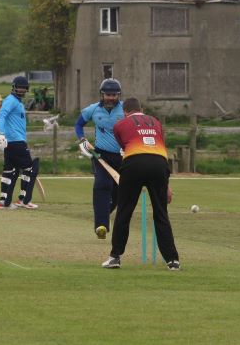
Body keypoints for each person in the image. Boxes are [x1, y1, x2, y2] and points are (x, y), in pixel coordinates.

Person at [102, 97, 180, 270]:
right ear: (142, 110)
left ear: (125, 112)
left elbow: (125, 148)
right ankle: (173, 260)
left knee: (124, 211)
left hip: (134, 163)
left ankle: (115, 257)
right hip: (159, 164)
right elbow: (160, 149)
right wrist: (166, 185)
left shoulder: (119, 125)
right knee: (161, 213)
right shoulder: (156, 122)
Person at [75, 78, 124, 239]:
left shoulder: (125, 110)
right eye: (107, 95)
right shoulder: (93, 109)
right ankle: (101, 226)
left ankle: (104, 213)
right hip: (101, 155)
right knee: (102, 185)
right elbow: (78, 125)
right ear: (102, 95)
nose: (111, 98)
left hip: (122, 156)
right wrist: (82, 139)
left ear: (119, 95)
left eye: (114, 95)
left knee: (119, 192)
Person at [0, 76, 39, 209]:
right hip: (16, 141)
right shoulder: (11, 100)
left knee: (9, 170)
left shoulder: (18, 103)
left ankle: (3, 201)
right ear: (14, 87)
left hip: (12, 142)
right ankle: (23, 199)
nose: (21, 90)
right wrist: (1, 134)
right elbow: (1, 116)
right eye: (19, 87)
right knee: (29, 168)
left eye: (24, 88)